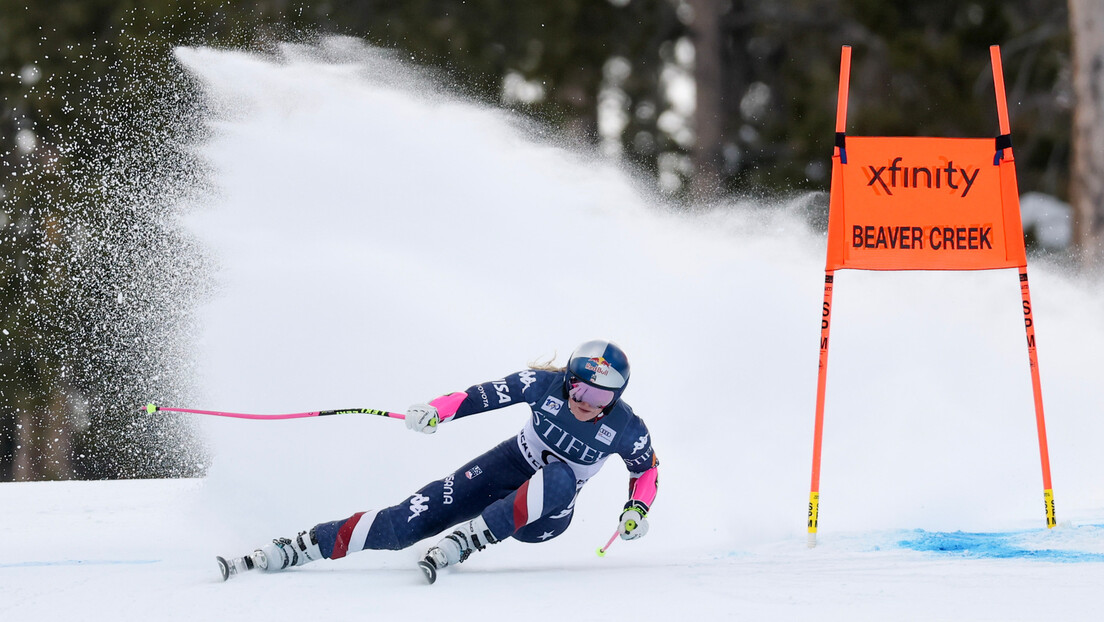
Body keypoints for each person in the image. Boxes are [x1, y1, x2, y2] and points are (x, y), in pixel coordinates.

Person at [217, 339, 659, 584]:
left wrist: (636, 509)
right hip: (507, 466)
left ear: (616, 397)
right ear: (567, 380)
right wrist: (436, 409)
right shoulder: (543, 385)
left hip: (544, 516)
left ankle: (467, 541)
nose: (586, 402)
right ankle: (297, 547)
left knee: (560, 476)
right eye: (579, 390)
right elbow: (481, 395)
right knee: (403, 524)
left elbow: (646, 469)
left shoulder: (625, 426)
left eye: (600, 396)